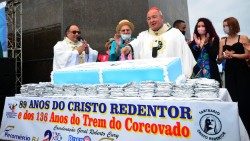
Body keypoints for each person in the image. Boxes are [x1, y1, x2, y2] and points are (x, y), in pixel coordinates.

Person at [122, 7, 196, 77]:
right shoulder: (143, 35)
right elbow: (136, 43)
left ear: (162, 18)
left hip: (171, 77)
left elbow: (186, 55)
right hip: (150, 78)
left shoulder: (175, 33)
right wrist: (128, 47)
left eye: (154, 17)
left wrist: (185, 75)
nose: (151, 20)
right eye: (149, 18)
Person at [217, 17, 250, 134]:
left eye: (227, 25)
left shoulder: (243, 38)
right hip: (229, 72)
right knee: (233, 98)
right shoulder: (222, 41)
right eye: (224, 25)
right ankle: (236, 127)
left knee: (245, 98)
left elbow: (248, 55)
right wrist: (224, 56)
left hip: (242, 71)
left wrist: (234, 55)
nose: (225, 27)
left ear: (233, 25)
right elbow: (218, 59)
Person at [189, 18, 221, 86]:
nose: (200, 28)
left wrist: (206, 44)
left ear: (207, 27)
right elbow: (192, 57)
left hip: (210, 69)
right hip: (197, 70)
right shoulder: (193, 41)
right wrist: (198, 46)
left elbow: (213, 55)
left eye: (203, 26)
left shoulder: (214, 39)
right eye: (198, 26)